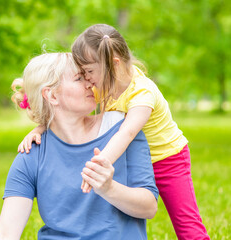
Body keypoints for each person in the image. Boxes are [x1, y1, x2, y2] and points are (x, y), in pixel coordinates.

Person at [20, 24, 210, 240]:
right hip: (132, 159)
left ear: (113, 64)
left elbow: (126, 133)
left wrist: (99, 164)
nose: (87, 79)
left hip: (167, 160)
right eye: (82, 74)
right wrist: (41, 127)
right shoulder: (105, 84)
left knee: (186, 224)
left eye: (89, 72)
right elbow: (68, 114)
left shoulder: (142, 93)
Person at [0, 53, 158, 240]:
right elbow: (6, 233)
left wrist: (109, 188)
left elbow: (149, 207)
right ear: (52, 95)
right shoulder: (32, 152)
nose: (90, 83)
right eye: (79, 78)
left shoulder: (123, 130)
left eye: (88, 76)